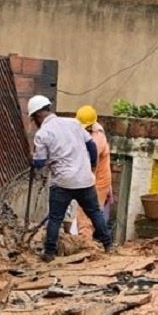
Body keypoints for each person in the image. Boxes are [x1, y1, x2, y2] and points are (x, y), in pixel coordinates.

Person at [27, 95, 113, 261]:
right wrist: (92, 165)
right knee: (95, 213)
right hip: (85, 180)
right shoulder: (73, 123)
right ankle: (108, 245)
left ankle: (49, 253)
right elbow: (91, 146)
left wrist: (32, 159)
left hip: (63, 183)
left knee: (55, 218)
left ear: (37, 115)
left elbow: (39, 163)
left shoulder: (42, 134)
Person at [75, 104, 114, 238]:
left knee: (85, 213)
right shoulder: (93, 129)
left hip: (98, 180)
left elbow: (90, 165)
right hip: (95, 178)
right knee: (91, 212)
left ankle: (85, 241)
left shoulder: (97, 140)